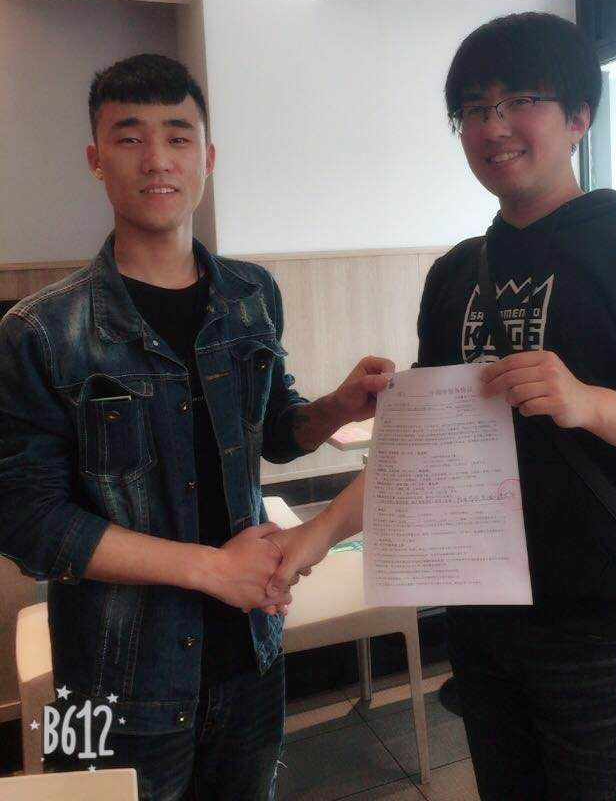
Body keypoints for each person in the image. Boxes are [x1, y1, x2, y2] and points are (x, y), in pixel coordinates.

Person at [265, 13, 616, 800]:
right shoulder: (457, 274)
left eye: (521, 100)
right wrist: (314, 535)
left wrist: (590, 404)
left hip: (604, 633)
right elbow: (422, 459)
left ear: (579, 116)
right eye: (474, 108)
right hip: (481, 628)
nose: (494, 126)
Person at [0, 53, 392, 800]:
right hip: (102, 679)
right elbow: (26, 523)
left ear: (206, 158)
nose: (157, 159)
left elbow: (272, 430)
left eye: (178, 137)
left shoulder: (251, 293)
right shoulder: (38, 330)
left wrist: (336, 408)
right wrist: (209, 568)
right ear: (95, 159)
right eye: (129, 137)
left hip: (252, 655)